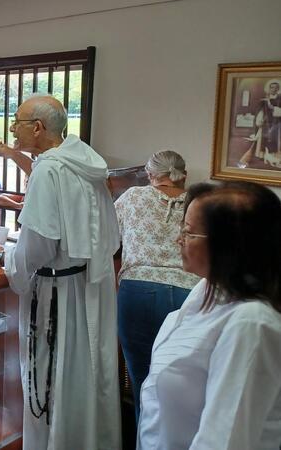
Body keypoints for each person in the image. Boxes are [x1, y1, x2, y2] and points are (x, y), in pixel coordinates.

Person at [5, 94, 121, 450]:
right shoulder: (87, 165)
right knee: (84, 379)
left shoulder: (49, 168)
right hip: (88, 286)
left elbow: (38, 244)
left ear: (37, 128)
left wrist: (11, 265)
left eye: (18, 121)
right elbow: (111, 237)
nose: (12, 128)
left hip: (55, 295)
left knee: (51, 381)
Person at [138, 181, 281, 450]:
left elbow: (224, 440)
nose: (178, 239)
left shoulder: (251, 324)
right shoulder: (205, 289)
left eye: (189, 233)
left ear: (229, 246)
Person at [114, 150, 200, 421]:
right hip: (190, 292)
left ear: (150, 175)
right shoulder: (200, 203)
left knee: (141, 378)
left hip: (137, 289)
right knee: (185, 382)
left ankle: (144, 437)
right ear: (182, 175)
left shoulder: (132, 197)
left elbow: (108, 238)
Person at [238, 79, 281, 168]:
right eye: (271, 87)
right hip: (265, 123)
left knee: (275, 140)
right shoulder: (264, 100)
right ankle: (260, 157)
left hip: (277, 123)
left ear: (278, 89)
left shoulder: (280, 99)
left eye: (275, 88)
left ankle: (274, 158)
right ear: (269, 89)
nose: (273, 89)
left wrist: (274, 109)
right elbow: (260, 111)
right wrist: (260, 118)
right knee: (262, 140)